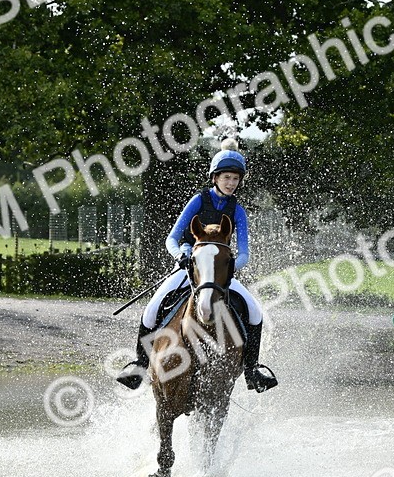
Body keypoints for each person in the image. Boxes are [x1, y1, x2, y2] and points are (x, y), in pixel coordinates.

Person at [116, 139, 278, 393]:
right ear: (215, 177)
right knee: (152, 308)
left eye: (235, 179)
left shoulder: (238, 211)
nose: (231, 183)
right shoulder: (198, 201)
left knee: (254, 312)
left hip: (219, 272)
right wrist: (181, 255)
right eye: (226, 177)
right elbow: (171, 238)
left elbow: (244, 251)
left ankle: (252, 369)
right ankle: (139, 364)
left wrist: (231, 265)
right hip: (188, 267)